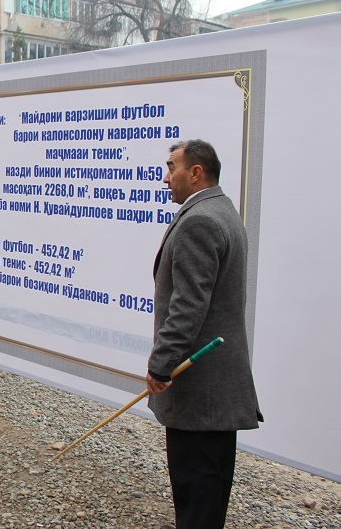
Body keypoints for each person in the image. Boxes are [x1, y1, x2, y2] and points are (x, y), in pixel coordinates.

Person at [146, 139, 263, 529]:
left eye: (172, 167)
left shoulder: (200, 221)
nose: (166, 178)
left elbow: (188, 305)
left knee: (198, 485)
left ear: (195, 172)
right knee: (207, 486)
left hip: (200, 389)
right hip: (215, 391)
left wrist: (161, 365)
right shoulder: (222, 209)